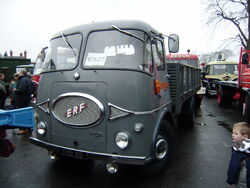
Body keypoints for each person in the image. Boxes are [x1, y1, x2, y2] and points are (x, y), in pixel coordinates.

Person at [227, 122, 250, 187]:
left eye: (236, 133)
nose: (232, 135)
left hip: (243, 182)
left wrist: (230, 181)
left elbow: (234, 167)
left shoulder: (239, 151)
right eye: (233, 133)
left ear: (244, 137)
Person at [14, 70, 33, 134]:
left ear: (22, 73)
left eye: (19, 73)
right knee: (27, 113)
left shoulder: (23, 80)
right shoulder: (28, 79)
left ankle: (23, 129)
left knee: (22, 114)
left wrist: (15, 90)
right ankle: (28, 127)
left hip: (22, 100)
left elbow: (21, 90)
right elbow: (34, 89)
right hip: (27, 99)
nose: (18, 74)